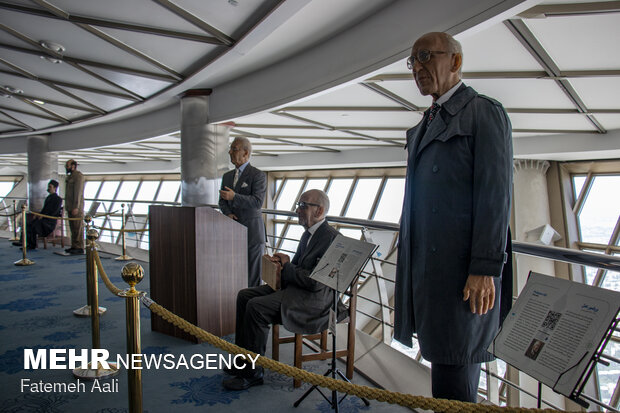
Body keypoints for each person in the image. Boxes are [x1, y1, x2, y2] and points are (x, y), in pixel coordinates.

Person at [394, 32, 513, 403]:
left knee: (455, 376)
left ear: (456, 62)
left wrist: (485, 268)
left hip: (463, 276)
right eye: (413, 61)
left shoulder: (483, 112)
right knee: (445, 373)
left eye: (427, 56)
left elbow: (495, 196)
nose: (418, 68)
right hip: (430, 272)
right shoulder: (427, 122)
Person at [223, 189, 343, 390]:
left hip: (313, 302)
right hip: (297, 290)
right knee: (244, 296)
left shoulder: (331, 238)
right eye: (299, 204)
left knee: (256, 307)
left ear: (319, 210)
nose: (298, 209)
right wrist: (281, 263)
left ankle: (253, 373)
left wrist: (286, 266)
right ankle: (243, 361)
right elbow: (297, 267)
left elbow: (315, 283)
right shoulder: (309, 235)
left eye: (303, 205)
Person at [219, 137, 267, 287]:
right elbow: (221, 201)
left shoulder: (257, 175)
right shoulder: (227, 176)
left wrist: (235, 197)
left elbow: (257, 202)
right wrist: (227, 214)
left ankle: (251, 308)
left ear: (245, 153)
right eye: (231, 149)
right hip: (232, 232)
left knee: (252, 278)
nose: (230, 152)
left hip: (252, 234)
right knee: (233, 272)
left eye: (234, 149)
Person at [13, 180, 62, 250]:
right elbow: (44, 210)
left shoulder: (58, 199)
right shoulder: (49, 198)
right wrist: (39, 215)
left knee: (34, 226)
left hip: (49, 222)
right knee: (28, 224)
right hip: (43, 219)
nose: (48, 188)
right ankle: (24, 242)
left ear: (55, 188)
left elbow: (54, 212)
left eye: (50, 187)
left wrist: (43, 216)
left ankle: (31, 245)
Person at [64, 159, 85, 254]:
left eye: (67, 165)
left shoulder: (78, 176)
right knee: (72, 228)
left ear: (73, 166)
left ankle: (79, 246)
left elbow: (78, 192)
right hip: (70, 206)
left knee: (78, 227)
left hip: (76, 207)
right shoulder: (70, 177)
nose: (66, 167)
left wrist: (76, 207)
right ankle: (74, 245)